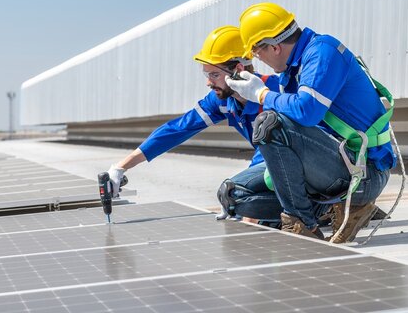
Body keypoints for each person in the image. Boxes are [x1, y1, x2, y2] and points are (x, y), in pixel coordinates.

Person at [226, 2, 396, 242]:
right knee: (235, 194)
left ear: (274, 47)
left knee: (269, 123)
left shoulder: (322, 53)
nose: (258, 59)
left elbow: (307, 112)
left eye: (256, 52)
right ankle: (329, 209)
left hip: (362, 173)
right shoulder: (291, 71)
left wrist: (261, 95)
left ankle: (302, 223)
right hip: (330, 164)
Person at [106, 25, 284, 225]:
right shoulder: (223, 100)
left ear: (238, 71)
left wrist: (239, 194)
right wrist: (122, 167)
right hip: (279, 166)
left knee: (241, 197)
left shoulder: (273, 92)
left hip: (307, 165)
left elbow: (270, 151)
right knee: (241, 199)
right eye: (206, 75)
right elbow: (178, 129)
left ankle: (314, 209)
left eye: (214, 75)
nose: (209, 83)